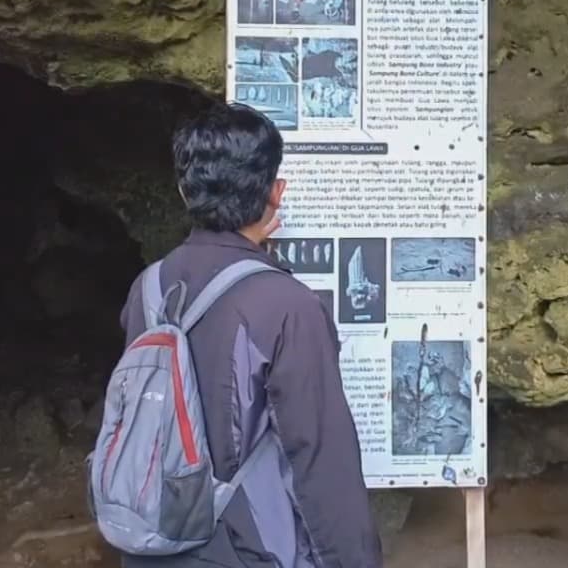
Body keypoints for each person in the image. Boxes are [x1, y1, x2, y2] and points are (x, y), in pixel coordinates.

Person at [116, 101, 382, 568]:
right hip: (247, 551)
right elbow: (319, 460)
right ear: (276, 192)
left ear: (184, 192)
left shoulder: (149, 287)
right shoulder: (288, 305)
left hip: (154, 541)